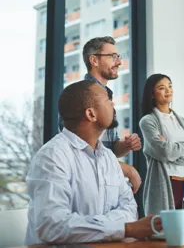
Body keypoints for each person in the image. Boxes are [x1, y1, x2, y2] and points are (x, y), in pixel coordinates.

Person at [25, 81, 161, 245]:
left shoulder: (108, 157)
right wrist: (126, 229)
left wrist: (97, 227)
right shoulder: (52, 156)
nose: (112, 103)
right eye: (106, 100)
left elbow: (130, 208)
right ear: (91, 114)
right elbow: (52, 226)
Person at [61, 36, 142, 193]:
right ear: (94, 60)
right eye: (113, 57)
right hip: (86, 186)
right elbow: (80, 151)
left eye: (118, 57)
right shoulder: (79, 96)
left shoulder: (108, 97)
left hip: (105, 182)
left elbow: (111, 149)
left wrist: (126, 146)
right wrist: (127, 169)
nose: (119, 62)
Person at [139, 74, 184, 215]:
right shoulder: (148, 121)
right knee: (166, 230)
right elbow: (165, 152)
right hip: (167, 183)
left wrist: (172, 150)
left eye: (170, 86)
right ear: (152, 94)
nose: (168, 91)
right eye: (162, 88)